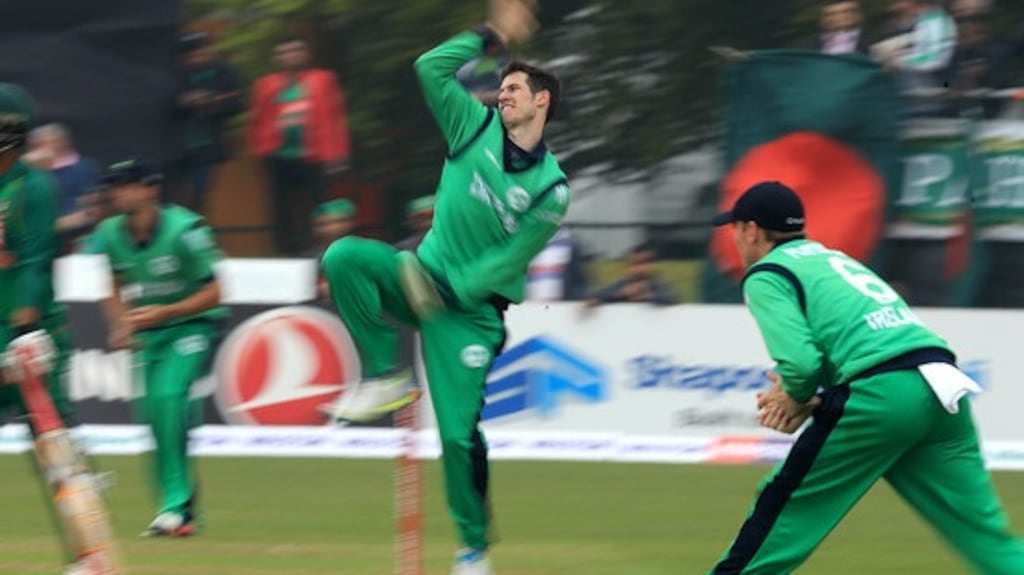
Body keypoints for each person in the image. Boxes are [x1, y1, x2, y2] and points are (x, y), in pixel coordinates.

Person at [318, 1, 565, 572]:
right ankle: (385, 374)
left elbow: (508, 262)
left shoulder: (553, 190)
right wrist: (492, 36)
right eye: (501, 86)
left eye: (515, 88)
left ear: (542, 101)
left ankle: (474, 548)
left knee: (457, 439)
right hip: (417, 277)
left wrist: (448, 292)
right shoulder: (470, 125)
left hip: (470, 314)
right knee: (345, 256)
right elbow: (429, 67)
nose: (503, 94)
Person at [706, 181, 1024, 574]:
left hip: (884, 394)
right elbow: (864, 339)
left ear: (750, 229)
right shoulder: (831, 259)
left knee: (783, 508)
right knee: (986, 538)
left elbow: (802, 363)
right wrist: (814, 398)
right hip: (943, 386)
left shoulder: (767, 274)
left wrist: (797, 394)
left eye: (734, 229)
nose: (735, 239)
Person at [92, 159, 227, 538]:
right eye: (114, 185)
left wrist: (166, 311)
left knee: (168, 397)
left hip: (193, 323)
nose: (119, 192)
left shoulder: (186, 231)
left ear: (152, 189)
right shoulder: (109, 233)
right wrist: (121, 324)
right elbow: (114, 283)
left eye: (128, 184)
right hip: (151, 332)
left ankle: (175, 508)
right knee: (154, 413)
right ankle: (180, 510)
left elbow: (217, 290)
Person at [0, 83, 86, 573]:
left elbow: (34, 261)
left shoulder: (32, 186)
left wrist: (23, 331)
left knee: (54, 449)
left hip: (30, 334)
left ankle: (90, 554)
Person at [247, 36, 352, 256]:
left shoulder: (322, 79)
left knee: (318, 204)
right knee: (281, 209)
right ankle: (286, 253)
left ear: (305, 54)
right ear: (277, 58)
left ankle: (321, 250)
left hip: (314, 154)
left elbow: (335, 116)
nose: (290, 56)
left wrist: (338, 153)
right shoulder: (266, 84)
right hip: (278, 155)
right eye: (284, 52)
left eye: (295, 51)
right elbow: (258, 117)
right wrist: (259, 146)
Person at [171, 31, 244, 214]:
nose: (198, 57)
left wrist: (211, 102)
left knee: (200, 192)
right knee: (175, 195)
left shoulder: (224, 70)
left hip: (208, 145)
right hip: (176, 145)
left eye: (202, 51)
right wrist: (184, 101)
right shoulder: (175, 73)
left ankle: (196, 232)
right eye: (192, 54)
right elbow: (164, 101)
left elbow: (237, 102)